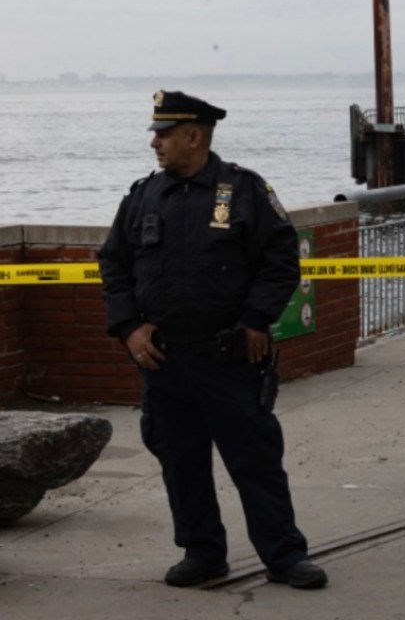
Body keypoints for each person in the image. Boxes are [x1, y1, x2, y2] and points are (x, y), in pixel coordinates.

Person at [98, 90, 327, 589]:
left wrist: (255, 319)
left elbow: (281, 260)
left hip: (228, 358)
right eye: (155, 133)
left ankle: (285, 556)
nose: (154, 142)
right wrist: (128, 326)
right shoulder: (143, 196)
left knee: (256, 462)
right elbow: (113, 265)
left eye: (163, 133)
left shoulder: (243, 191)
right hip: (164, 360)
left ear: (194, 135)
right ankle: (202, 552)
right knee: (181, 464)